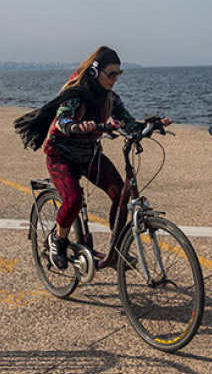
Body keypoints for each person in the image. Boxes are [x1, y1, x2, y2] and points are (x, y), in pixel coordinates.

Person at [44, 46, 169, 270]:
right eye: (111, 74)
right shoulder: (74, 94)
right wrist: (74, 126)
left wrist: (152, 125)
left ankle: (115, 251)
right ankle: (58, 240)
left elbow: (129, 123)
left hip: (90, 154)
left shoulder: (111, 98)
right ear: (94, 72)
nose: (115, 79)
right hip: (61, 154)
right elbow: (62, 118)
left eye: (118, 74)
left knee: (120, 195)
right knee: (73, 201)